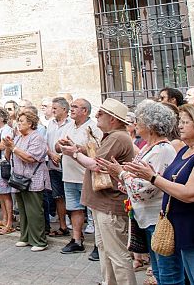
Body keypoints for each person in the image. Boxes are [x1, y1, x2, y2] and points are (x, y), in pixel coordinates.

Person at [125, 104, 194, 284]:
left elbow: (192, 193)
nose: (180, 126)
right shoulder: (186, 150)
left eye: (185, 122)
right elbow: (173, 180)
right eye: (180, 121)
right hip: (187, 232)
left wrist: (152, 177)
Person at [96, 100, 178, 285]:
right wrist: (122, 174)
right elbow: (136, 179)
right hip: (146, 217)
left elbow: (147, 188)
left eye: (139, 121)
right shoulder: (150, 147)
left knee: (167, 273)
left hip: (156, 217)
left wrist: (121, 173)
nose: (134, 124)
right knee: (158, 270)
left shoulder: (162, 150)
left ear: (150, 126)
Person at [61, 98, 137, 285]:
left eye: (101, 113)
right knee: (105, 250)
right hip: (103, 204)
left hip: (110, 205)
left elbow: (96, 164)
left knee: (117, 254)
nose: (96, 116)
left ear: (113, 119)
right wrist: (79, 149)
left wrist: (75, 154)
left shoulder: (118, 137)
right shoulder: (112, 136)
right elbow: (97, 157)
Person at [55, 98, 102, 258]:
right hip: (69, 176)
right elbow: (56, 147)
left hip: (87, 176)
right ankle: (76, 240)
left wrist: (78, 149)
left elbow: (98, 151)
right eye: (72, 106)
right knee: (74, 208)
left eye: (75, 107)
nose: (72, 109)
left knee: (94, 211)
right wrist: (61, 144)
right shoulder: (68, 125)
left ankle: (99, 244)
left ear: (85, 111)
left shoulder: (94, 127)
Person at [4, 110, 51, 252]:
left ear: (30, 123)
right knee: (23, 210)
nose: (18, 124)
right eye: (18, 121)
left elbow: (31, 158)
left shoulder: (37, 137)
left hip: (33, 178)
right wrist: (8, 146)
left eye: (22, 121)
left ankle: (39, 240)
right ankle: (25, 237)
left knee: (34, 210)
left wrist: (13, 148)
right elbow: (8, 157)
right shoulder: (18, 138)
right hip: (19, 179)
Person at [45, 97, 72, 241]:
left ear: (64, 109)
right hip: (53, 165)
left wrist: (60, 156)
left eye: (55, 108)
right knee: (58, 196)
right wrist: (51, 154)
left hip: (68, 165)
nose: (53, 110)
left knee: (71, 196)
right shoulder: (50, 124)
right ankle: (63, 226)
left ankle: (73, 224)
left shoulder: (72, 124)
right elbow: (46, 143)